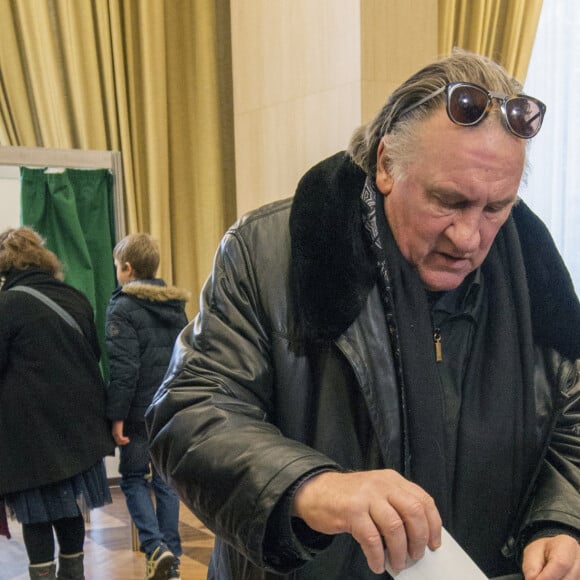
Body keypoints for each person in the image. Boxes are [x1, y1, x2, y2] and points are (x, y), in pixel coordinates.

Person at [146, 49, 580, 580]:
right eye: (447, 201)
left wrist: (559, 519)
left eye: (495, 208)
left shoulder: (534, 270)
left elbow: (571, 420)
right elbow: (188, 414)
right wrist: (310, 487)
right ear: (385, 166)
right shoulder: (266, 254)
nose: (469, 237)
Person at [0, 227, 114, 580]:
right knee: (69, 508)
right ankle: (73, 574)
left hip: (30, 429)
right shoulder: (74, 297)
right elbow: (93, 353)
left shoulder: (8, 305)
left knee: (35, 512)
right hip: (79, 423)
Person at [105, 233, 189, 580]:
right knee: (166, 482)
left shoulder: (122, 307)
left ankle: (156, 547)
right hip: (170, 408)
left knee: (134, 478)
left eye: (117, 268)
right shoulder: (175, 306)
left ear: (127, 268)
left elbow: (125, 370)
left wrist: (117, 416)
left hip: (139, 412)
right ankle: (173, 555)